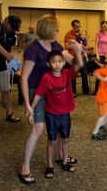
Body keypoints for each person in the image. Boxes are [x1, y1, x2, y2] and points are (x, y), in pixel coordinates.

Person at [19, 15, 79, 185]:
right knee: (38, 128)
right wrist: (28, 105)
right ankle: (25, 167)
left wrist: (78, 51)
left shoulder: (55, 46)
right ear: (48, 30)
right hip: (35, 90)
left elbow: (72, 62)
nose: (58, 32)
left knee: (60, 121)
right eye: (56, 30)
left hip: (53, 90)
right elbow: (24, 78)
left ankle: (60, 156)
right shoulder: (33, 49)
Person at [29, 49, 83, 178]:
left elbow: (79, 65)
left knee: (65, 139)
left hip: (65, 114)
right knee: (52, 141)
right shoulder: (46, 78)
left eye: (59, 61)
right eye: (53, 62)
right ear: (48, 64)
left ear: (64, 62)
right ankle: (50, 165)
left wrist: (78, 52)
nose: (57, 64)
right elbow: (39, 93)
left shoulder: (67, 74)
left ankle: (65, 162)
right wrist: (31, 109)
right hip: (51, 114)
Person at [0, 15, 22, 123]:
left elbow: (10, 48)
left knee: (6, 90)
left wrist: (10, 60)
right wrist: (8, 56)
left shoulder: (12, 33)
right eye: (11, 27)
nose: (12, 30)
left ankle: (9, 113)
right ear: (6, 21)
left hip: (1, 65)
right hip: (3, 59)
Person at [64, 20, 90, 96]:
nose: (78, 28)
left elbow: (85, 45)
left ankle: (86, 90)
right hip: (73, 57)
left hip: (82, 57)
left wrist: (84, 47)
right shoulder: (68, 34)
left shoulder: (81, 34)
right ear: (73, 26)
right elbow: (66, 46)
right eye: (77, 27)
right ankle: (73, 92)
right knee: (73, 75)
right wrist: (75, 45)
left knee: (84, 73)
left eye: (79, 26)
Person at [94, 20, 107, 94]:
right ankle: (97, 90)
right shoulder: (98, 34)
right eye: (103, 26)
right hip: (101, 55)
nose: (104, 27)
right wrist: (97, 55)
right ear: (101, 27)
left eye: (105, 26)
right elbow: (96, 45)